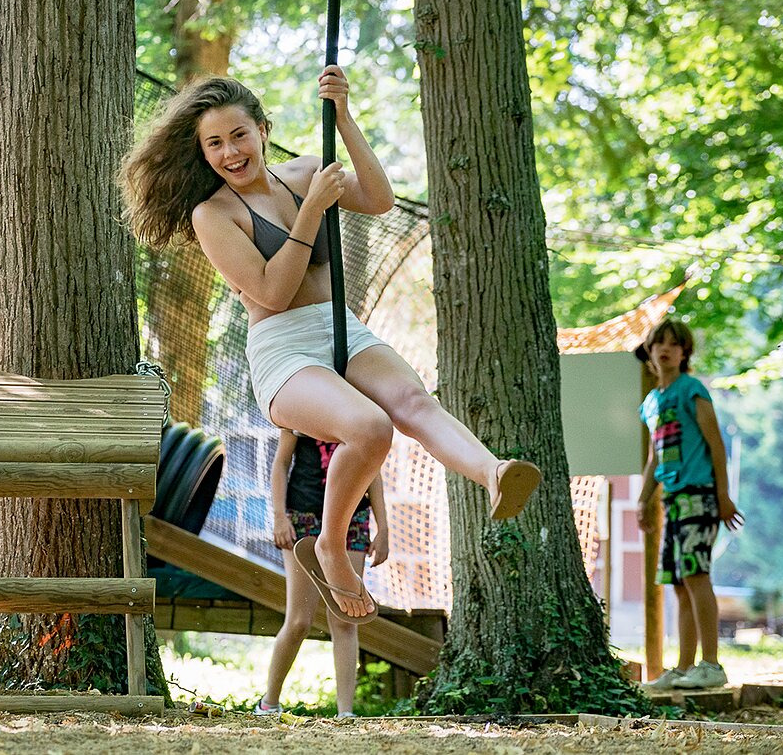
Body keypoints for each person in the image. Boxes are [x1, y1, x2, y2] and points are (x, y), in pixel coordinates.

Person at [121, 66, 540, 622]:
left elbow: (379, 198)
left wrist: (343, 118)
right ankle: (330, 544)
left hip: (340, 325)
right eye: (214, 143)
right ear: (201, 153)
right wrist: (313, 210)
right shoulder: (212, 214)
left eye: (239, 135)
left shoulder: (307, 172)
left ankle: (492, 474)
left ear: (263, 130)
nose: (230, 152)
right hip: (282, 348)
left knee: (414, 404)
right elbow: (271, 290)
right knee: (369, 428)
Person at [635, 319, 743, 690]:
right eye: (658, 343)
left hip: (700, 494)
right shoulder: (651, 403)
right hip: (674, 500)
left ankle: (711, 664)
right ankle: (683, 669)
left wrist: (723, 495)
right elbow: (655, 457)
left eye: (673, 344)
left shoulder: (692, 390)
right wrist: (643, 500)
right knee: (679, 583)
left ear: (685, 353)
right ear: (649, 352)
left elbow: (715, 444)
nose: (665, 349)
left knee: (696, 576)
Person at [255, 430, 388, 719]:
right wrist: (280, 516)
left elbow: (372, 471)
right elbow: (281, 462)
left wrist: (383, 526)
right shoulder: (301, 403)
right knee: (299, 621)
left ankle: (345, 713)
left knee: (345, 617)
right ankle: (268, 703)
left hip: (352, 518)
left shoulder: (358, 409)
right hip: (304, 517)